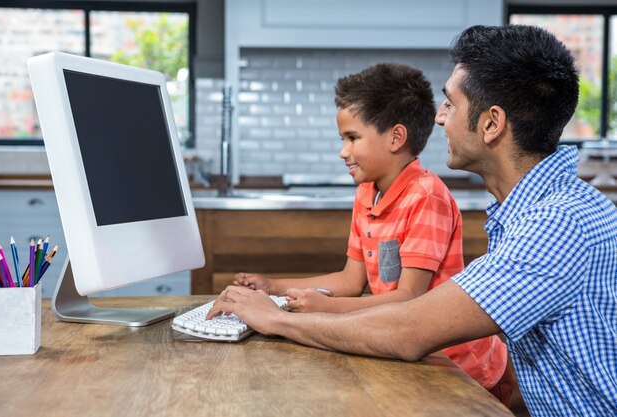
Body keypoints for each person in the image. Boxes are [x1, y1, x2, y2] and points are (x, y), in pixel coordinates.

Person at [208, 25, 617, 417]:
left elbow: (409, 331)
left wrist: (276, 318)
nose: (440, 118)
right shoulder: (544, 209)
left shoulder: (555, 225)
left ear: (492, 124)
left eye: (451, 104)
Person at [230, 62, 511, 402]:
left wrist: (325, 308)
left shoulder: (426, 196)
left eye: (353, 138)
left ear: (395, 138)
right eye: (342, 139)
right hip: (409, 355)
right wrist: (273, 286)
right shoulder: (367, 192)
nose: (343, 151)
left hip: (463, 369)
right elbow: (351, 280)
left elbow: (410, 299)